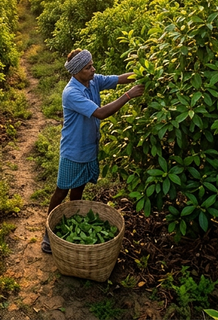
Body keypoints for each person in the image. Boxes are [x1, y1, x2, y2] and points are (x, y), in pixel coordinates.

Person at [42, 48, 143, 254]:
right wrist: (128, 95)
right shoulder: (72, 93)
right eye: (88, 67)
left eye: (92, 65)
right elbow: (100, 113)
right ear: (77, 71)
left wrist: (144, 73)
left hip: (89, 147)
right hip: (73, 150)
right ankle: (48, 232)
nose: (93, 70)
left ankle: (71, 223)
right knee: (61, 190)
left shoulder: (93, 80)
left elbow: (118, 79)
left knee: (78, 189)